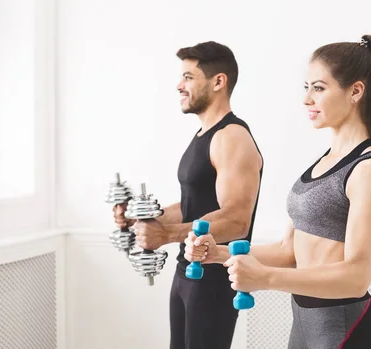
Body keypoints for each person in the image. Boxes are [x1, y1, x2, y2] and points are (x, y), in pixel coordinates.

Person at [184, 34, 371, 349]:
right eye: (306, 87)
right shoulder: (324, 162)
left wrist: (266, 279)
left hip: (345, 328)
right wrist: (219, 253)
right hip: (305, 323)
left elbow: (357, 277)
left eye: (319, 88)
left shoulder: (369, 168)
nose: (307, 99)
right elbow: (288, 251)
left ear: (355, 91)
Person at [113, 41, 264, 349]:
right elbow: (190, 205)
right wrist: (136, 218)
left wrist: (166, 234)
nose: (179, 85)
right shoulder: (204, 136)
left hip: (213, 279)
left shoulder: (231, 136)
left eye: (188, 77)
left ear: (218, 81)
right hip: (187, 273)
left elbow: (236, 221)